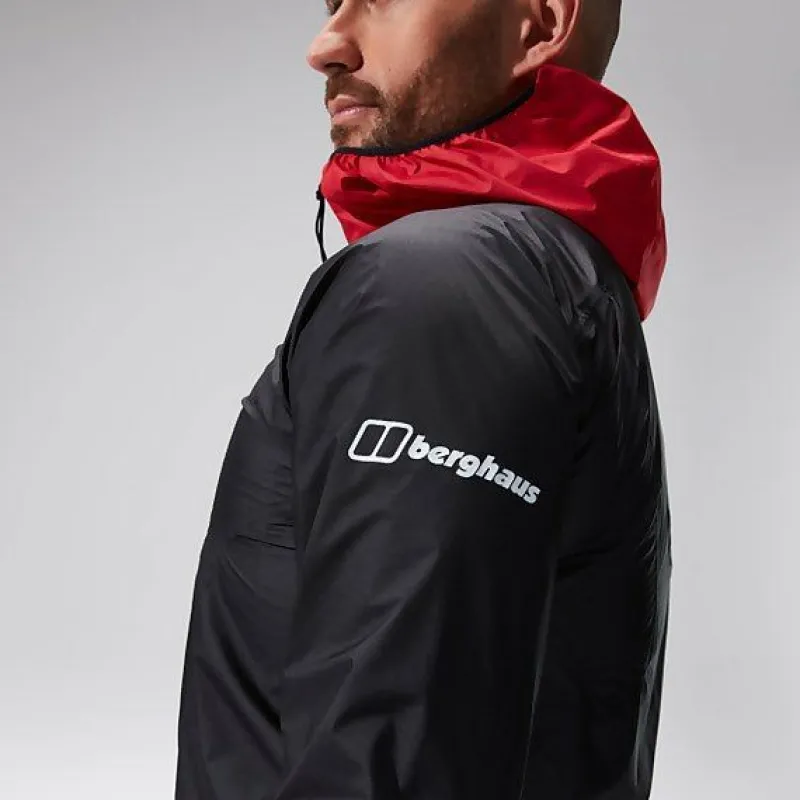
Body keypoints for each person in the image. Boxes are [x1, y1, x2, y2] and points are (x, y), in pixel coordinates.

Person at [174, 1, 672, 798]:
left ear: (540, 24)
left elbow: (389, 768)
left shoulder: (443, 286)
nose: (326, 46)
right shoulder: (546, 279)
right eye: (332, 5)